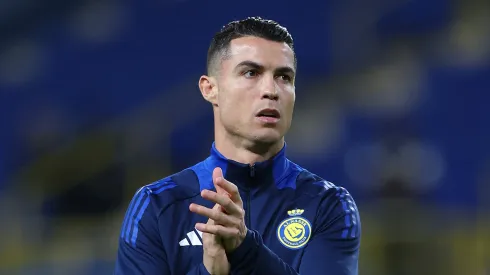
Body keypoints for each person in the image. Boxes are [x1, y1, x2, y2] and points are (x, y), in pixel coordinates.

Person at [114, 16, 361, 275]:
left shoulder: (329, 205)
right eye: (251, 73)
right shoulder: (156, 206)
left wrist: (244, 249)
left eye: (284, 77)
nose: (271, 90)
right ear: (210, 89)